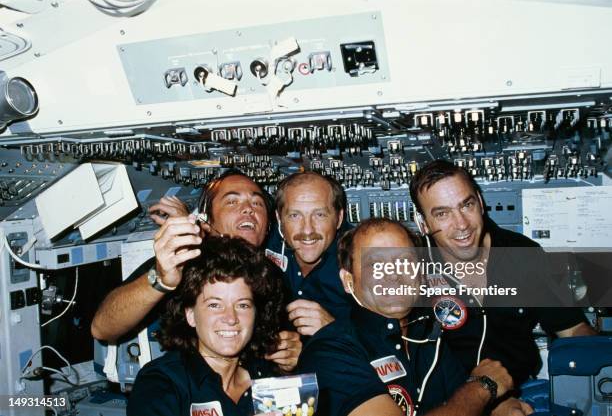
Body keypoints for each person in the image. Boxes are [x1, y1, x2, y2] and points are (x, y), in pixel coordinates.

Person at [298, 218, 529, 416]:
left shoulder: (428, 337)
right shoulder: (330, 351)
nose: (394, 276)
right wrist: (484, 386)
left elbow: (462, 401)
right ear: (348, 281)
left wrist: (500, 404)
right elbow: (474, 392)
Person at [408, 159, 596, 386]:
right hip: (449, 399)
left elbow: (573, 329)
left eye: (467, 205)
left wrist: (600, 367)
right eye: (442, 214)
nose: (461, 224)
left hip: (522, 393)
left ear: (480, 201)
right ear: (423, 223)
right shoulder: (414, 268)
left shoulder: (523, 253)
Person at [92, 170, 300, 372]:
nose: (248, 209)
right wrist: (161, 281)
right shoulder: (183, 263)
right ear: (207, 221)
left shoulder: (274, 279)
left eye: (257, 202)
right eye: (232, 201)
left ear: (268, 225)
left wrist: (289, 361)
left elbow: (277, 354)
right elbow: (102, 328)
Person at [127, 237, 284, 416]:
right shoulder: (161, 382)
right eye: (215, 305)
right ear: (191, 315)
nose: (231, 318)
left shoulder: (269, 379)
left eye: (242, 305)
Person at [270, 171, 353, 336]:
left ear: (339, 217)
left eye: (320, 215)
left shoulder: (367, 253)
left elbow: (399, 336)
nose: (307, 230)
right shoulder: (263, 241)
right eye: (294, 215)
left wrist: (333, 332)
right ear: (279, 219)